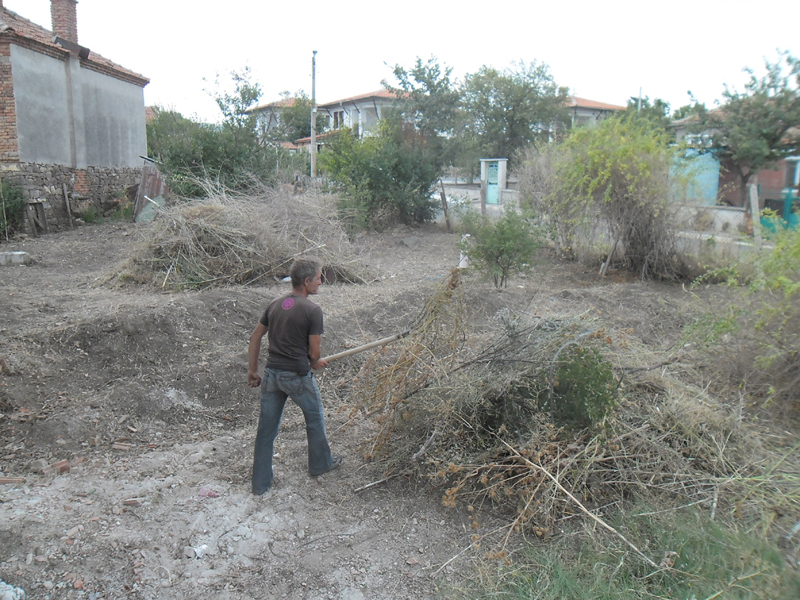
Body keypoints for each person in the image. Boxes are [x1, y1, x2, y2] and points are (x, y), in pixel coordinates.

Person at [247, 258, 342, 495]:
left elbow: (255, 337)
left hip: (271, 376)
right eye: (319, 278)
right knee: (315, 419)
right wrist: (314, 362)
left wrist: (253, 370)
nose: (321, 282)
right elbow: (314, 351)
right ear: (307, 281)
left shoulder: (275, 304)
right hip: (297, 377)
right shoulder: (312, 310)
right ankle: (320, 464)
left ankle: (260, 484)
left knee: (266, 430)